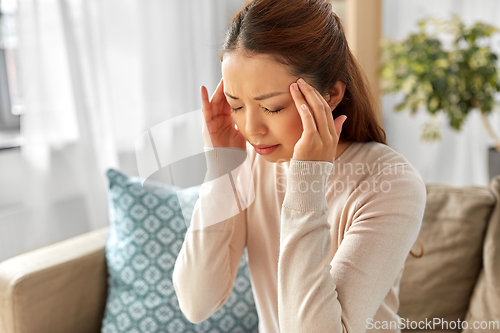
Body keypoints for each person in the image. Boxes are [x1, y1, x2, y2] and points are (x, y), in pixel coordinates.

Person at [172, 0, 427, 332]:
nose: (252, 128)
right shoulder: (250, 163)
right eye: (236, 105)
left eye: (274, 108)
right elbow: (196, 302)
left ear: (332, 93)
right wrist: (222, 172)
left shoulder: (391, 182)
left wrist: (307, 178)